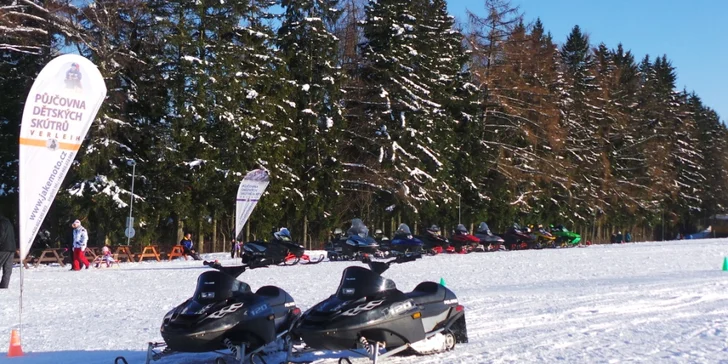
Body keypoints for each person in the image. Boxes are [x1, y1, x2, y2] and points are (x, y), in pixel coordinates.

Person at [0, 215, 16, 288]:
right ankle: (4, 285)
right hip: (11, 247)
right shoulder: (8, 222)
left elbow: (1, 235)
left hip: (3, 248)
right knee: (8, 269)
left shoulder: (1, 223)